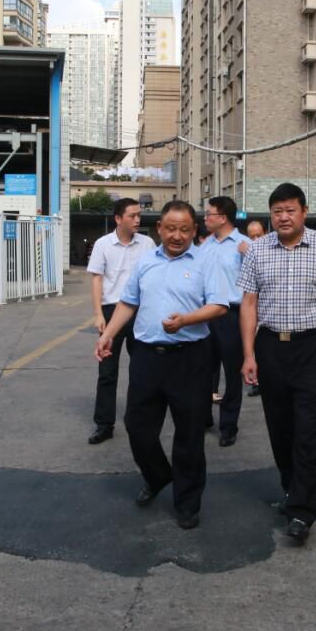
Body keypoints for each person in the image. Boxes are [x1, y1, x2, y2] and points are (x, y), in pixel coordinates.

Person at [96, 201, 228, 529]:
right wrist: (108, 334)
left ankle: (187, 502)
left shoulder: (205, 261)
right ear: (159, 229)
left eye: (184, 229)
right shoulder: (145, 261)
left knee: (189, 433)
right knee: (137, 426)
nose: (177, 235)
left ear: (194, 231)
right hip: (146, 357)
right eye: (170, 228)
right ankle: (157, 476)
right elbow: (128, 302)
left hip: (190, 358)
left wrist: (186, 320)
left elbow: (219, 306)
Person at [238, 183, 316, 544]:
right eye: (277, 211)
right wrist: (249, 355)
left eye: (290, 210)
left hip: (311, 348)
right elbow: (249, 304)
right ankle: (291, 488)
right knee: (280, 427)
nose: (283, 217)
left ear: (304, 211)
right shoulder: (258, 250)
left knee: (308, 429)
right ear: (270, 216)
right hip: (270, 346)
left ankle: (302, 510)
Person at [85, 198, 155, 445]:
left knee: (142, 370)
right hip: (111, 312)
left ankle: (139, 419)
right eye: (132, 215)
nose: (137, 219)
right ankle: (104, 424)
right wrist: (98, 314)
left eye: (139, 215)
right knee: (107, 372)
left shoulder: (147, 243)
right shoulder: (103, 244)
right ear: (118, 219)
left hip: (140, 312)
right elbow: (97, 280)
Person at [197, 196, 251, 447]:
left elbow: (257, 285)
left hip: (232, 315)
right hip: (205, 314)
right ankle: (204, 417)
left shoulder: (245, 245)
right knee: (204, 370)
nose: (205, 218)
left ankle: (228, 426)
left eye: (209, 214)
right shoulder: (204, 246)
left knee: (232, 372)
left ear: (223, 218)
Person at [242, 219, 267, 397]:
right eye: (252, 237)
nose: (256, 239)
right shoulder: (243, 250)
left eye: (259, 235)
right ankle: (257, 381)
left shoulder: (270, 250)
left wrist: (248, 251)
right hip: (250, 306)